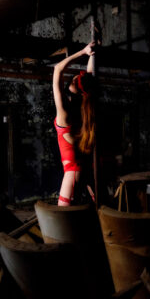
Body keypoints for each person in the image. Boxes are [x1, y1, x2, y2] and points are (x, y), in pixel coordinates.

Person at [52, 41, 97, 206]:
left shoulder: (64, 113)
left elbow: (57, 69)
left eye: (73, 78)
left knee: (63, 225)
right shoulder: (84, 112)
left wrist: (83, 52)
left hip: (72, 173)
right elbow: (90, 77)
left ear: (72, 86)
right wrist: (92, 53)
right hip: (85, 171)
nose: (73, 76)